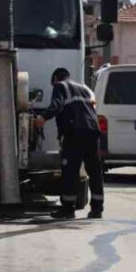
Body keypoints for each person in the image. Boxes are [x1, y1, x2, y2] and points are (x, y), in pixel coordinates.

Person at [35, 67, 105, 220]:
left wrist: (43, 118)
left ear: (55, 79)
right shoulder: (84, 89)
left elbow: (57, 104)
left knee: (70, 170)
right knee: (94, 171)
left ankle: (67, 209)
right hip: (93, 131)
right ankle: (97, 208)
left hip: (76, 132)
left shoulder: (61, 86)